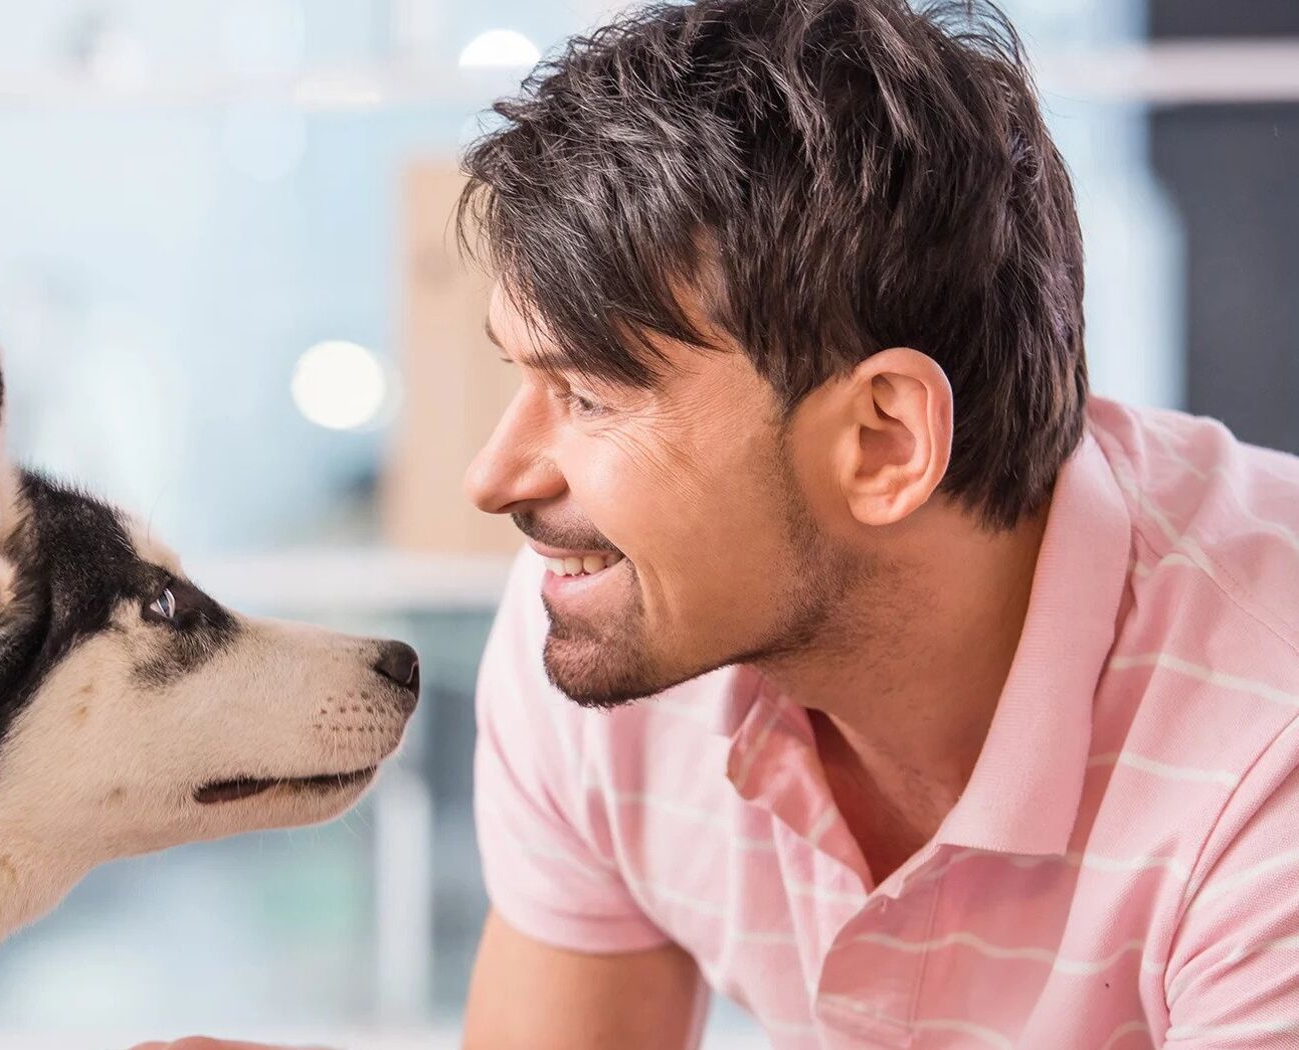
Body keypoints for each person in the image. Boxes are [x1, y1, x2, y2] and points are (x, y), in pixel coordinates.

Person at [138, 0, 1299, 1046]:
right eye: (520, 379)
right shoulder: (620, 628)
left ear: (885, 441)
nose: (494, 480)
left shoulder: (1266, 745)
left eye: (590, 395)